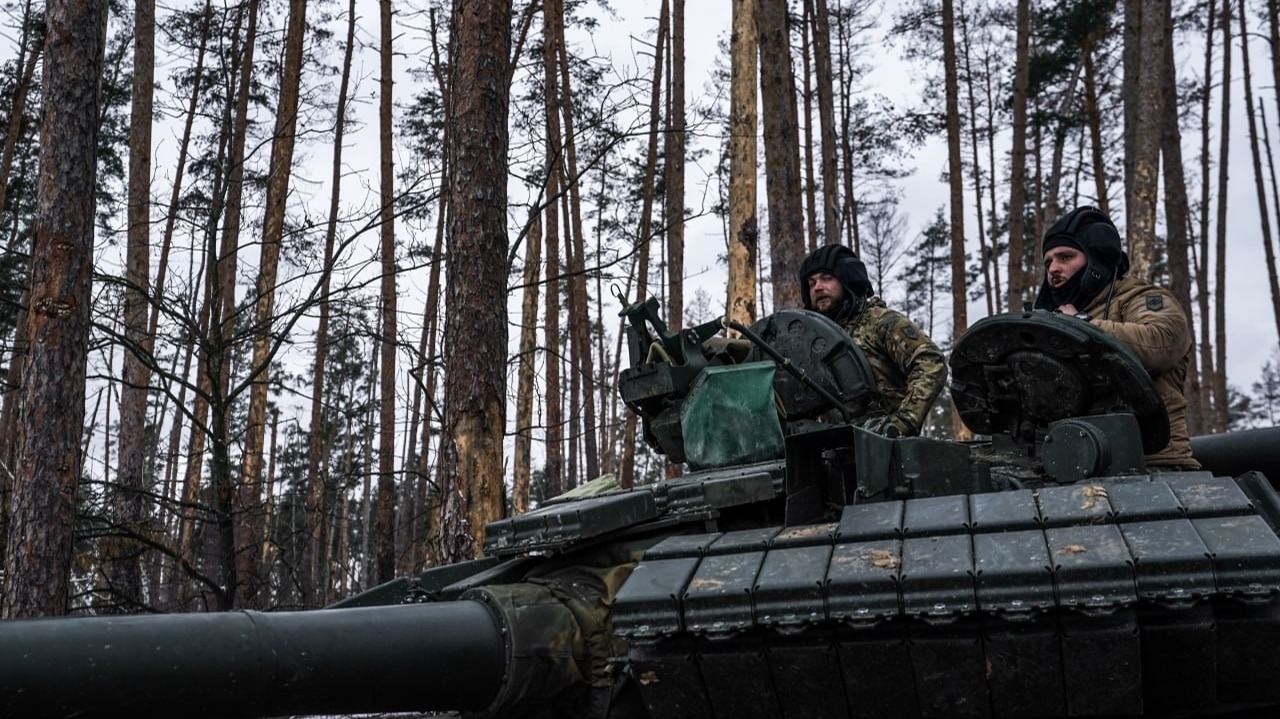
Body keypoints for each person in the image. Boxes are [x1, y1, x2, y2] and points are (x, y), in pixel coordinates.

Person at [1034, 206, 1200, 469]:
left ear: (1098, 259)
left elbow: (1162, 341)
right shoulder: (1055, 319)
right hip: (1073, 466)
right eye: (1048, 262)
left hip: (1155, 464)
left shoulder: (1141, 299)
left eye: (1065, 257)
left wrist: (1080, 326)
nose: (1053, 268)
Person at [798, 244, 947, 436]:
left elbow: (930, 362)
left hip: (886, 446)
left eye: (827, 278)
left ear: (847, 280)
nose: (818, 287)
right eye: (811, 283)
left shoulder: (880, 322)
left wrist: (903, 421)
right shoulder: (811, 338)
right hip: (834, 445)